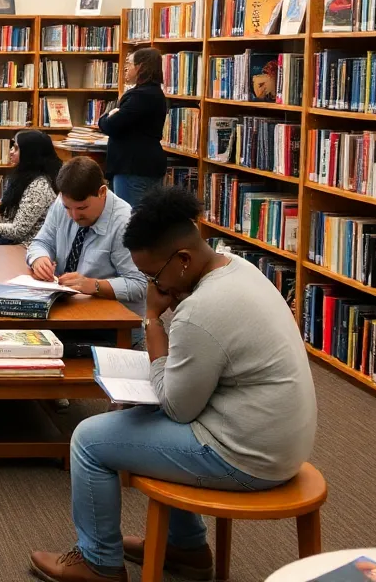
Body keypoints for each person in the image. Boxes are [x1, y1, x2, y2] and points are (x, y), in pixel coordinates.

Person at [28, 186, 317, 582]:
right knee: (140, 418)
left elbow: (178, 408)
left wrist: (151, 319)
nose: (150, 284)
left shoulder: (202, 309)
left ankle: (99, 564)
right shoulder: (237, 267)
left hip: (246, 457)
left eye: (152, 275)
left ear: (182, 260)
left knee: (88, 440)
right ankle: (186, 548)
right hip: (279, 441)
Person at [26, 156, 146, 320]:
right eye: (68, 207)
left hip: (110, 323)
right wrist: (39, 259)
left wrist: (94, 285)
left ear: (102, 192)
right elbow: (41, 242)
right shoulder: (61, 204)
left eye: (82, 208)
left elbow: (139, 284)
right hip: (65, 310)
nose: (74, 215)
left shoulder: (124, 221)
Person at [0, 129, 61, 246]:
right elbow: (12, 220)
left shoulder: (39, 186)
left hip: (25, 246)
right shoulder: (22, 178)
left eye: (16, 148)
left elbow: (18, 231)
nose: (11, 151)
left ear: (30, 153)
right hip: (12, 240)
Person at [98, 47, 167, 209]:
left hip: (133, 168)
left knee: (129, 219)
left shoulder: (141, 96)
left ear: (141, 67)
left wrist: (105, 117)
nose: (126, 68)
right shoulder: (153, 93)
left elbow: (111, 125)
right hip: (142, 165)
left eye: (129, 63)